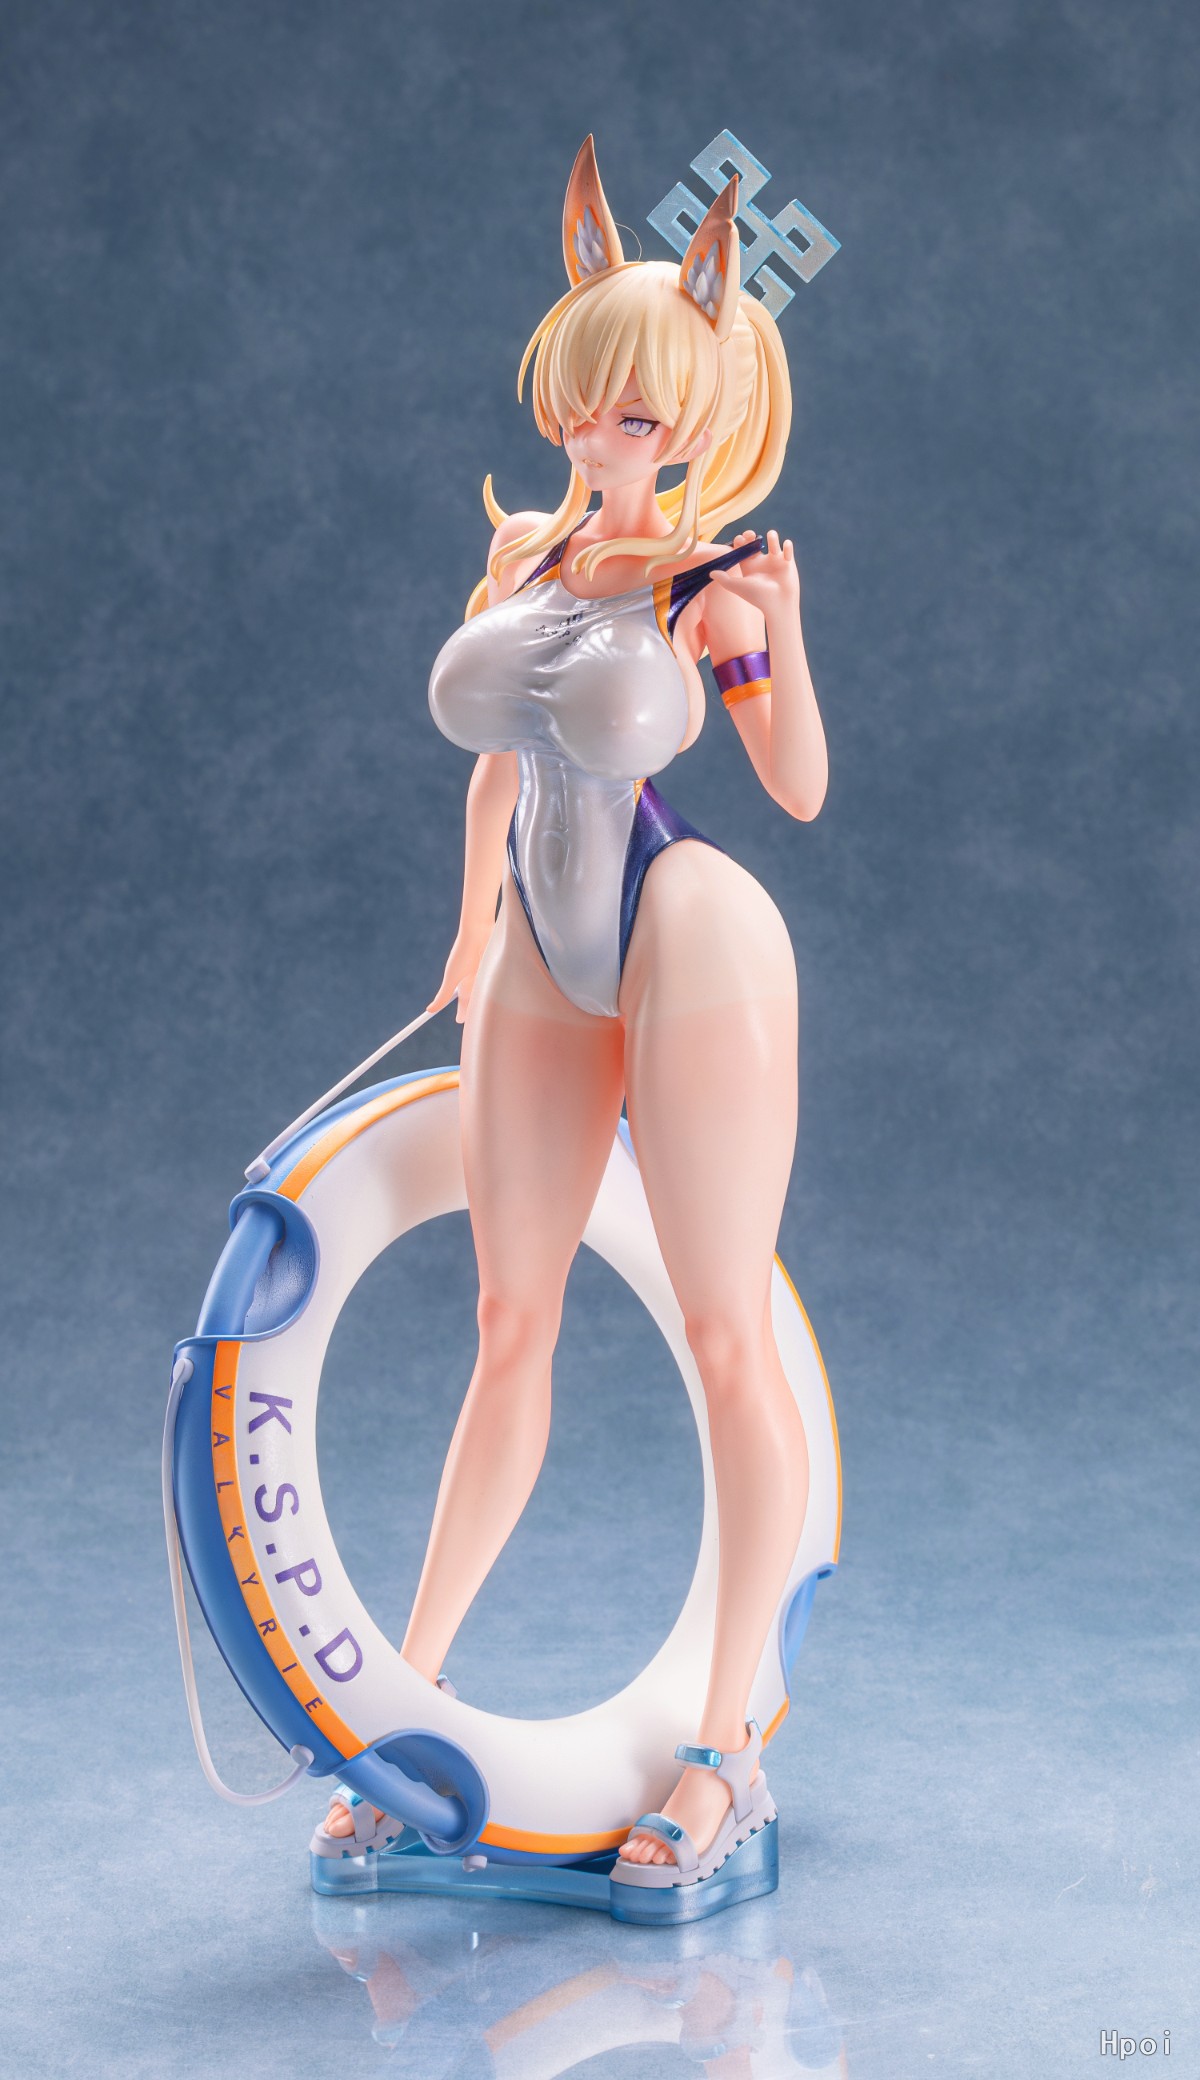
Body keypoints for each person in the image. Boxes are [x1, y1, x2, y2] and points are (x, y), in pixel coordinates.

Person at [320, 138, 828, 1893]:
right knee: (507, 1320)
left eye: (633, 411)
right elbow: (502, 761)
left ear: (689, 416)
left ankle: (725, 1752)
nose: (598, 431)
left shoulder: (710, 576)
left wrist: (781, 634)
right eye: (584, 401)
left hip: (682, 930)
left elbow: (799, 785)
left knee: (721, 1332)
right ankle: (406, 1703)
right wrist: (466, 932)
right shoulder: (525, 551)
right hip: (539, 944)